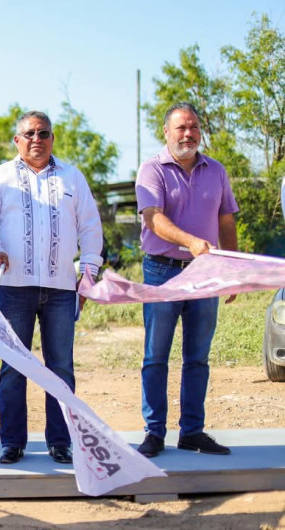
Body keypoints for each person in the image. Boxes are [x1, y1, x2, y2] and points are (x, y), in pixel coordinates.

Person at [0, 111, 103, 465]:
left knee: (60, 366)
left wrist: (88, 271)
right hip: (14, 287)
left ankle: (60, 441)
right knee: (13, 365)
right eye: (29, 133)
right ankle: (12, 442)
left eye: (43, 133)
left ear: (52, 138)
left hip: (61, 288)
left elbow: (90, 227)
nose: (36, 139)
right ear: (17, 140)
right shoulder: (0, 178)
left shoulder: (72, 177)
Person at [135, 102, 239, 458]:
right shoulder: (152, 170)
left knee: (197, 357)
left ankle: (192, 432)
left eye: (193, 127)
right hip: (162, 271)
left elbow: (226, 220)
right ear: (166, 132)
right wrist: (192, 241)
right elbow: (153, 219)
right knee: (156, 356)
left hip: (205, 275)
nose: (188, 134)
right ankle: (154, 433)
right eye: (180, 128)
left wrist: (230, 267)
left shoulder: (217, 171)